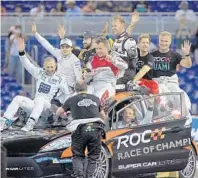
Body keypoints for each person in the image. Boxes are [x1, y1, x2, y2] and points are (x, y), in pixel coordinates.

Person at [0, 38, 71, 132]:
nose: (50, 69)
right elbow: (27, 64)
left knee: (41, 100)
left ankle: (31, 123)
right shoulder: (39, 73)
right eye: (48, 67)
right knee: (18, 98)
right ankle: (5, 121)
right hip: (35, 104)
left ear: (55, 66)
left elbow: (67, 95)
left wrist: (65, 109)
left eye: (52, 67)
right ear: (44, 66)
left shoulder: (60, 79)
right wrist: (21, 52)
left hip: (47, 108)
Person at [56, 80, 106, 178]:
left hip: (80, 130)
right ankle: (90, 176)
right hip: (96, 129)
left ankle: (79, 176)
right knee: (93, 157)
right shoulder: (96, 98)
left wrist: (66, 115)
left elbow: (58, 112)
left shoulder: (71, 99)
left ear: (75, 89)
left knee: (78, 156)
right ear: (86, 88)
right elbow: (103, 116)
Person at [31, 23, 82, 103]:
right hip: (57, 85)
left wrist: (75, 89)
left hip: (70, 88)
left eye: (67, 47)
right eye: (63, 47)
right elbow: (46, 45)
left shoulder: (75, 61)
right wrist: (36, 34)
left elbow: (79, 78)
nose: (64, 49)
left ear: (71, 48)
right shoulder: (59, 53)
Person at [151, 31, 192, 111]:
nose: (163, 43)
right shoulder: (151, 55)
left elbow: (188, 65)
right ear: (158, 41)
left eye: (166, 41)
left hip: (171, 82)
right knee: (161, 95)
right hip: (157, 83)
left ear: (170, 42)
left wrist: (186, 54)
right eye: (161, 41)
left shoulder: (175, 55)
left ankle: (183, 115)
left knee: (180, 96)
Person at [84, 36, 128, 104]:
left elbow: (125, 66)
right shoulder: (92, 59)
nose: (98, 51)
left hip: (108, 85)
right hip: (93, 84)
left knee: (96, 99)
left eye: (100, 48)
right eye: (96, 48)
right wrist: (87, 75)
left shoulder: (113, 56)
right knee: (82, 97)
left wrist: (112, 60)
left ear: (107, 48)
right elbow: (86, 80)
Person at [111, 14, 138, 84]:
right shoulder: (117, 40)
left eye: (115, 26)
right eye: (112, 26)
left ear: (122, 25)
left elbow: (132, 59)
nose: (113, 28)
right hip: (117, 73)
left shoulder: (129, 41)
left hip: (125, 75)